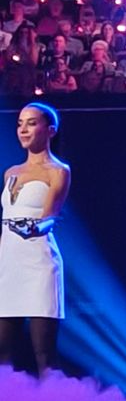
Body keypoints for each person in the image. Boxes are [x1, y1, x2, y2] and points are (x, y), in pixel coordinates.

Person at [0, 103, 71, 376]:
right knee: (3, 349)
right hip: (10, 265)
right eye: (20, 123)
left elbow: (51, 216)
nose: (23, 129)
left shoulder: (58, 171)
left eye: (31, 123)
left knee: (44, 353)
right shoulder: (11, 173)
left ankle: (54, 394)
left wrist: (36, 228)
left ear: (50, 130)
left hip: (39, 264)